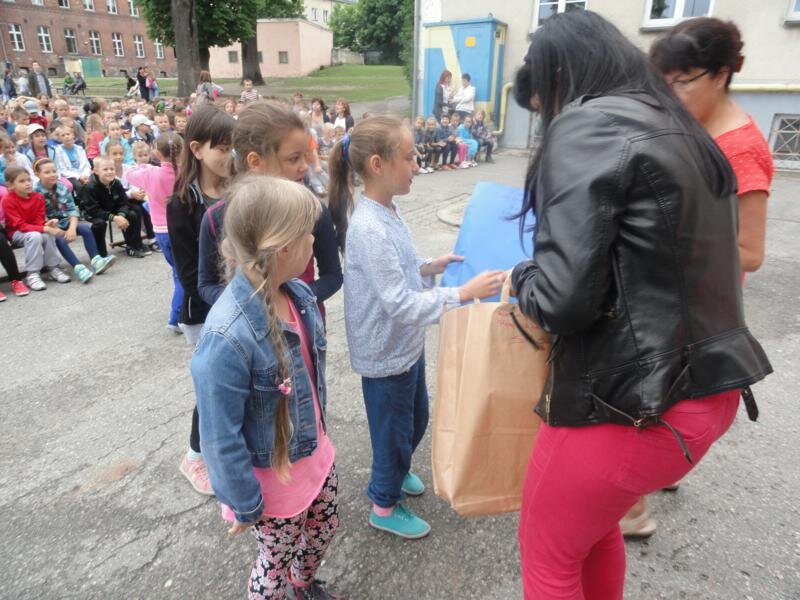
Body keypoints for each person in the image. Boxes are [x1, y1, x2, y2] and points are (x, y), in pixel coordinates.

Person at [509, 11, 772, 599]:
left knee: (547, 556)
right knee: (592, 531)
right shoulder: (678, 124)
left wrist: (521, 276)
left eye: (546, 105)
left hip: (628, 403)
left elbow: (562, 300)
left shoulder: (587, 124)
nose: (549, 119)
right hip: (706, 389)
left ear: (560, 79)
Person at [327, 116, 504, 539]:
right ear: (378, 165)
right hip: (386, 354)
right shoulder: (369, 227)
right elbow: (400, 302)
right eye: (408, 157)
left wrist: (430, 265)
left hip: (404, 345)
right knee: (393, 432)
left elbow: (400, 267)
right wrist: (464, 294)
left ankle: (396, 467)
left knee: (415, 417)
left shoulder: (388, 209)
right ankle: (383, 503)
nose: (417, 164)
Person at [191, 175, 341, 600]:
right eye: (308, 232)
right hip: (273, 484)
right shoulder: (226, 336)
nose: (315, 239)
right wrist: (243, 502)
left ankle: (303, 584)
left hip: (314, 456)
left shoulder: (298, 295)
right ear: (283, 249)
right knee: (274, 563)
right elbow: (218, 435)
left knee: (324, 527)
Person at [197, 101, 343, 322]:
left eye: (305, 156)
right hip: (246, 327)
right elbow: (206, 284)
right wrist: (245, 303)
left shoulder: (314, 211)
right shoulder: (218, 217)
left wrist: (291, 301)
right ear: (255, 161)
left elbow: (332, 276)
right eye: (293, 158)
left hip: (304, 325)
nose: (304, 166)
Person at [168, 104, 235, 496]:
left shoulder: (239, 189)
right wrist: (232, 303)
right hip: (205, 310)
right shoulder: (182, 204)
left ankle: (228, 450)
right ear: (196, 149)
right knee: (212, 387)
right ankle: (194, 456)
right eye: (222, 148)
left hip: (241, 304)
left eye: (233, 147)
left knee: (238, 384)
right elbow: (190, 276)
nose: (229, 156)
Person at [126, 132, 183, 332]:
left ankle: (179, 313)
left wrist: (144, 166)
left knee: (178, 271)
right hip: (181, 228)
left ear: (157, 153)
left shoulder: (151, 174)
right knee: (183, 273)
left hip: (161, 230)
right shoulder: (186, 173)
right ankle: (177, 316)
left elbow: (129, 174)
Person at [34, 158, 114, 282]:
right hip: (49, 226)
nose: (52, 174)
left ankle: (96, 260)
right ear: (37, 174)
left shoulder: (62, 187)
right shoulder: (35, 192)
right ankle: (78, 267)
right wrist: (54, 228)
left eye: (54, 171)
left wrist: (72, 228)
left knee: (85, 229)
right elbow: (38, 217)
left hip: (65, 221)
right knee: (60, 240)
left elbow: (72, 209)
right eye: (47, 172)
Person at [2, 166, 70, 290]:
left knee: (46, 234)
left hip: (34, 230)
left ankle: (53, 268)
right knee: (35, 236)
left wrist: (47, 224)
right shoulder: (8, 200)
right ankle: (32, 274)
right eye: (22, 181)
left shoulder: (38, 197)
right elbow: (20, 225)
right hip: (17, 232)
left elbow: (39, 220)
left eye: (29, 180)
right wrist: (44, 228)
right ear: (11, 185)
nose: (28, 183)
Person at [82, 156, 149, 258]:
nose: (109, 172)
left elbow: (124, 202)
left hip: (111, 208)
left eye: (112, 169)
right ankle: (100, 254)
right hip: (93, 212)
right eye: (105, 169)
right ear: (96, 171)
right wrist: (115, 218)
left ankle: (133, 246)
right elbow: (94, 210)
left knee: (132, 213)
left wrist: (121, 215)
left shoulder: (116, 183)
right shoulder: (90, 187)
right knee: (100, 223)